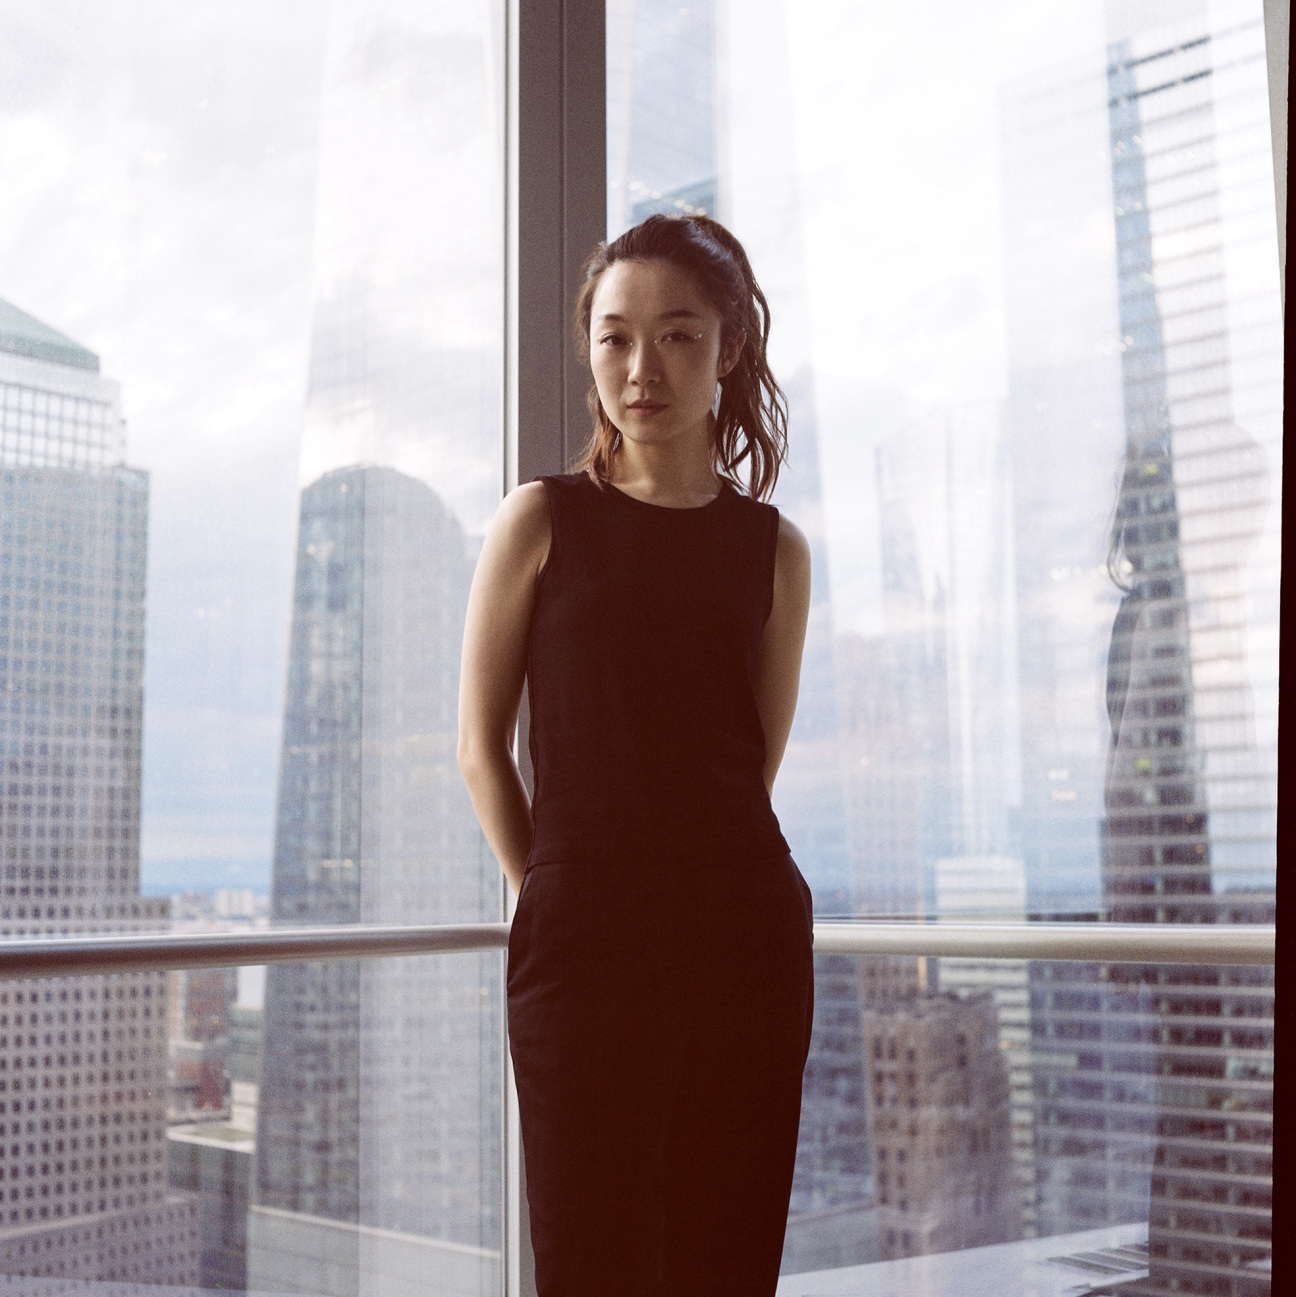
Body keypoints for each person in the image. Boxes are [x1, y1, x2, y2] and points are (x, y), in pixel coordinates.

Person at [458, 213, 814, 1296]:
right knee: (590, 1255)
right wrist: (554, 889)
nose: (641, 366)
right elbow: (480, 749)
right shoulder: (541, 519)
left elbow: (751, 761)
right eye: (615, 337)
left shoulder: (775, 549)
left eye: (677, 335)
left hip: (743, 938)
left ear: (729, 348)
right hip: (583, 946)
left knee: (726, 1254)